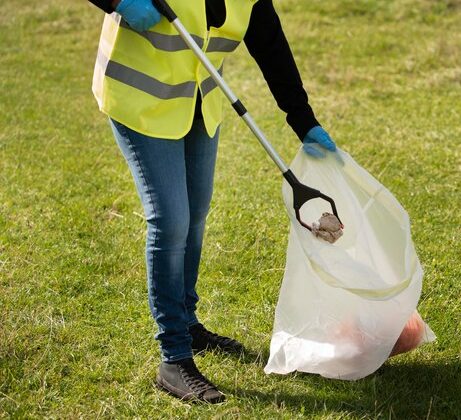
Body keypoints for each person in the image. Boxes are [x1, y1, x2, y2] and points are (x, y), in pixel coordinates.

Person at [88, 0, 337, 403]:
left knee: (196, 213)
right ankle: (174, 356)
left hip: (198, 102)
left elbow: (269, 45)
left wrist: (302, 119)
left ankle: (187, 323)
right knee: (170, 220)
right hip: (140, 99)